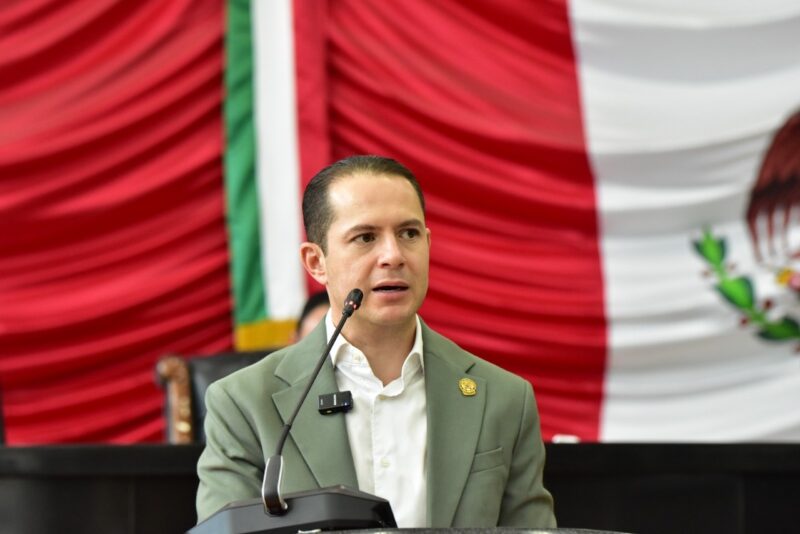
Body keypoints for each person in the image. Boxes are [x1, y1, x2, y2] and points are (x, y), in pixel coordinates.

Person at [196, 155, 556, 527]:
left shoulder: (504, 399)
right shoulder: (244, 404)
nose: (393, 256)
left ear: (428, 244)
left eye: (409, 234)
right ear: (316, 262)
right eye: (366, 237)